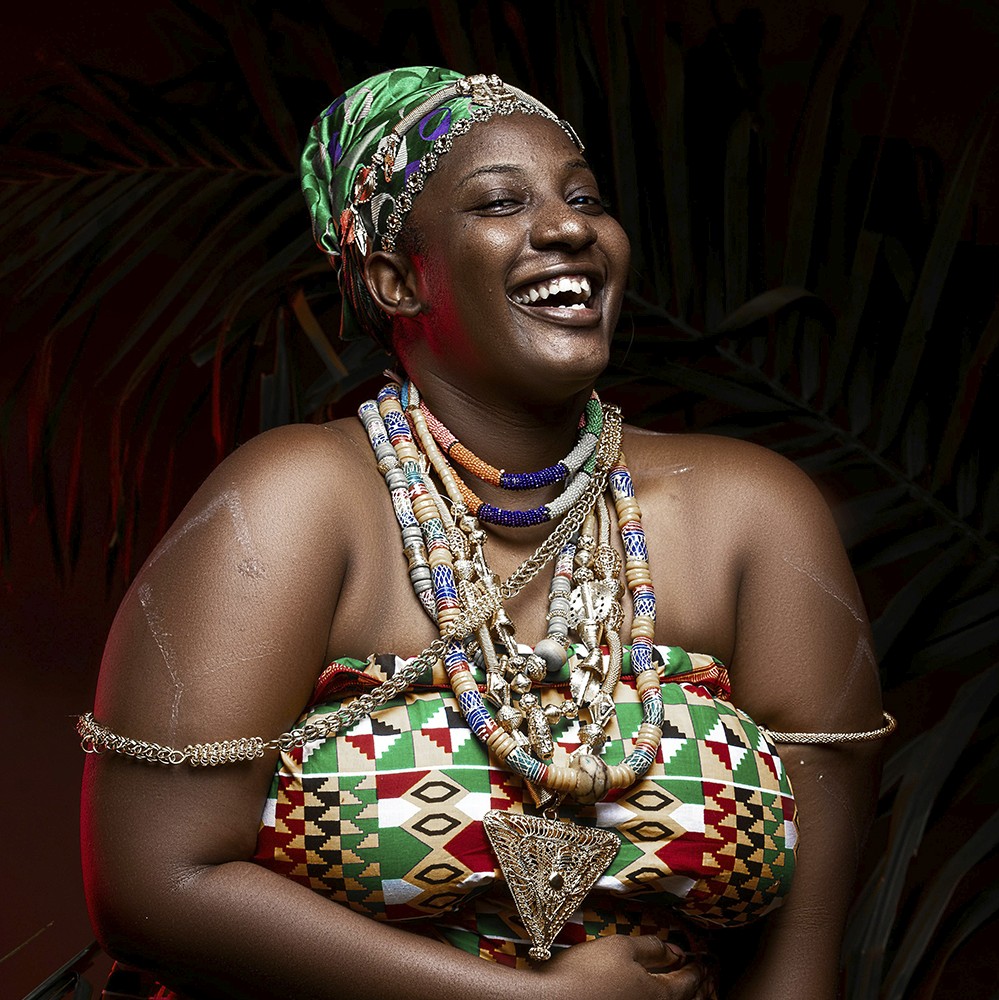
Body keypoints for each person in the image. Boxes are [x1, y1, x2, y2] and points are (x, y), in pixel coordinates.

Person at [80, 66, 892, 1000]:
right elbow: (152, 889)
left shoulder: (756, 517)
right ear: (393, 278)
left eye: (585, 198)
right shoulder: (291, 504)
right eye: (502, 202)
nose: (568, 227)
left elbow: (799, 964)